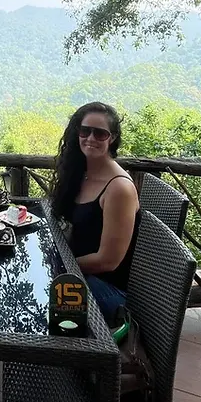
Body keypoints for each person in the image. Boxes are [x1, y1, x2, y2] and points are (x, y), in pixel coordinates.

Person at [51, 102, 141, 323]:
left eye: (100, 133)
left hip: (107, 289)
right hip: (79, 275)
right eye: (85, 130)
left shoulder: (118, 188)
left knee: (38, 296)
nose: (90, 138)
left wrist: (58, 266)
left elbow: (107, 261)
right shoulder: (82, 174)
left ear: (112, 138)